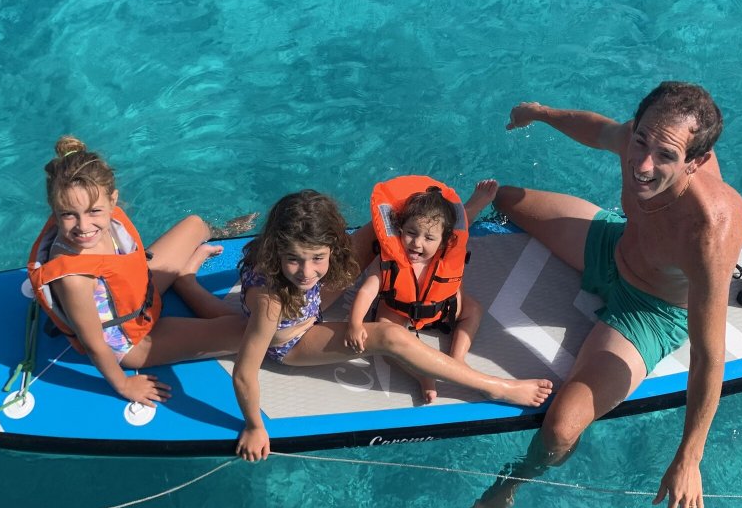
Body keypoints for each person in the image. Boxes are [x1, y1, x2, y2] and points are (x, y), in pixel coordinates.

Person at [462, 82, 742, 508]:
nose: (643, 165)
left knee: (559, 431)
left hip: (649, 311)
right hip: (611, 244)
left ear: (694, 162)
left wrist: (689, 458)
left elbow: (708, 356)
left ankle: (512, 483)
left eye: (666, 157)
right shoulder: (647, 138)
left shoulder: (710, 229)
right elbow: (599, 130)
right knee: (502, 198)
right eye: (640, 142)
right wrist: (540, 113)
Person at [233, 189, 554, 461]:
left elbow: (420, 225)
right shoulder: (270, 302)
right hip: (294, 339)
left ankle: (427, 286)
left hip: (309, 301)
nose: (305, 271)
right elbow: (245, 373)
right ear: (279, 249)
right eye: (295, 259)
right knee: (389, 335)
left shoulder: (298, 256)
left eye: (317, 257)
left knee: (381, 230)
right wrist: (253, 426)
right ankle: (495, 387)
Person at [29, 136, 251, 407]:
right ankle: (185, 280)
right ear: (55, 210)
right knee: (248, 332)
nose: (83, 226)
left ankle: (220, 236)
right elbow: (94, 344)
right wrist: (124, 384)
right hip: (132, 339)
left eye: (94, 211)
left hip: (140, 294)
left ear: (113, 201)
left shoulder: (96, 214)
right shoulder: (74, 279)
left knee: (194, 225)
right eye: (68, 215)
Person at [347, 176, 498, 403]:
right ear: (399, 229)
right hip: (398, 310)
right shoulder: (389, 260)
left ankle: (457, 358)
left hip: (443, 308)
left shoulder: (446, 253)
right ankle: (423, 375)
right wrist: (355, 324)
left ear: (444, 241)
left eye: (428, 238)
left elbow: (461, 226)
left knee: (474, 310)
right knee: (385, 329)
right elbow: (367, 292)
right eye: (411, 232)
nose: (417, 243)